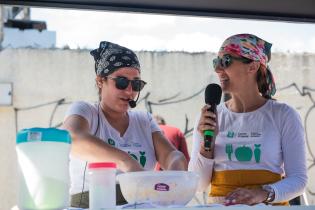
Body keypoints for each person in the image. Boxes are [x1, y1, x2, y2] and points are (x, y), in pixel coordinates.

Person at [62, 41, 187, 208]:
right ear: (100, 81)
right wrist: (126, 162)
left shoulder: (144, 120)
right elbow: (72, 139)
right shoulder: (86, 111)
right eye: (121, 82)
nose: (129, 91)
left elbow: (171, 155)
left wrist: (176, 168)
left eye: (136, 84)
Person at [188, 34, 307, 206]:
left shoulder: (284, 115)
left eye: (226, 61)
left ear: (253, 66)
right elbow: (198, 185)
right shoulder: (209, 115)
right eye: (216, 62)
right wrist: (207, 146)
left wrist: (262, 194)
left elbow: (299, 180)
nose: (218, 69)